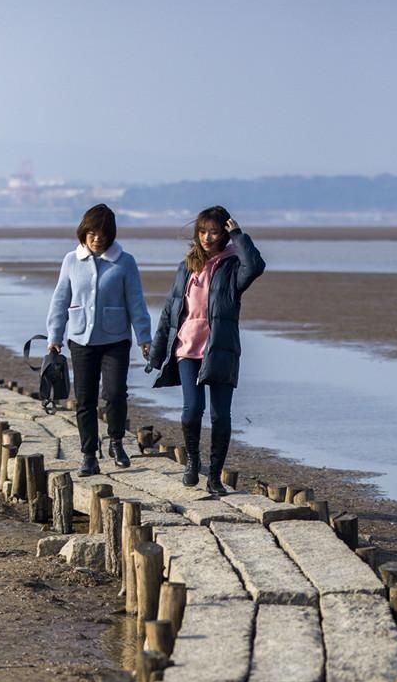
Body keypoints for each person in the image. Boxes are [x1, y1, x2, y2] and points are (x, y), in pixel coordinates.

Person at [149, 206, 265, 494]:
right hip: (187, 346)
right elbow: (169, 311)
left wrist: (238, 234)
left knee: (219, 415)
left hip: (220, 348)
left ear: (223, 233)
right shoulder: (186, 267)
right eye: (202, 231)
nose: (207, 237)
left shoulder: (233, 268)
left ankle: (214, 476)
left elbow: (256, 266)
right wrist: (157, 351)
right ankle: (192, 462)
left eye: (214, 231)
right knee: (191, 410)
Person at [46, 203, 152, 476]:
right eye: (91, 232)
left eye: (102, 233)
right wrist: (54, 336)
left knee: (115, 393)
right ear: (83, 232)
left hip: (116, 338)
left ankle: (116, 442)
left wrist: (144, 337)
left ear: (111, 235)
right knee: (85, 400)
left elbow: (136, 302)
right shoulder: (71, 260)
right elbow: (60, 299)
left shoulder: (125, 262)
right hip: (81, 340)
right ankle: (89, 454)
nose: (96, 238)